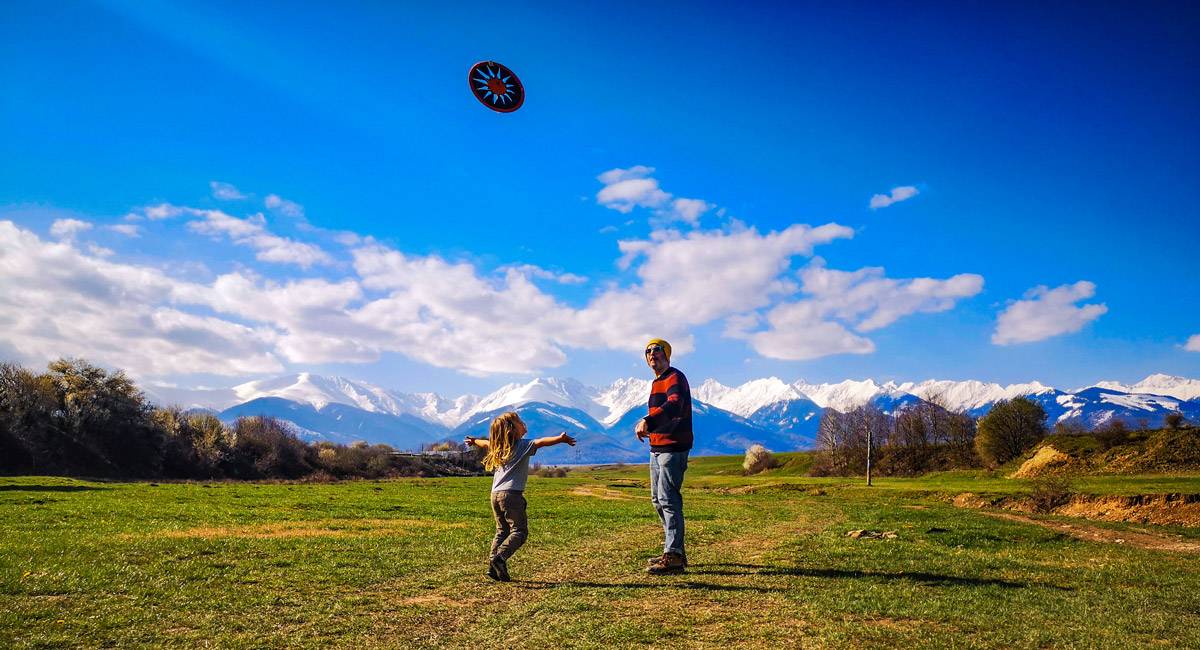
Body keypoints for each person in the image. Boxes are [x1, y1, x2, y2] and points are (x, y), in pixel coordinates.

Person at [464, 412, 576, 582]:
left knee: (502, 530)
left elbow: (484, 443)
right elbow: (541, 442)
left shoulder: (497, 447)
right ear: (512, 430)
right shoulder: (523, 445)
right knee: (520, 531)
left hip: (495, 494)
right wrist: (560, 439)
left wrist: (473, 441)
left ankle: (493, 567)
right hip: (512, 494)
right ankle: (499, 558)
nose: (524, 424)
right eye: (520, 422)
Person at [634, 338, 693, 575]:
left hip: (673, 447)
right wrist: (652, 429)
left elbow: (675, 404)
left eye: (657, 350)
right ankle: (674, 550)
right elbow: (664, 412)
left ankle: (674, 555)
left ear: (667, 354)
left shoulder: (674, 377)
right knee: (657, 500)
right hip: (656, 448)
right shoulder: (656, 382)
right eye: (648, 351)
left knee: (668, 499)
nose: (652, 354)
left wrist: (648, 421)